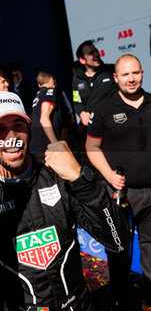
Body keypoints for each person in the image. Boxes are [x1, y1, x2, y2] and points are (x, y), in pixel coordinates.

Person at [0, 91, 130, 311]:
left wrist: (82, 180)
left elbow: (119, 242)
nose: (11, 136)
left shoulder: (60, 176)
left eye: (18, 125)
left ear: (28, 129)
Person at [86, 54, 151, 309]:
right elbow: (91, 147)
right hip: (122, 195)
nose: (131, 79)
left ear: (142, 73)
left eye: (135, 73)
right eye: (125, 74)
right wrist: (109, 174)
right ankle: (120, 300)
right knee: (120, 251)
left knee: (150, 245)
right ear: (116, 77)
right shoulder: (104, 109)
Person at [72, 40, 116, 127]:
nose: (96, 54)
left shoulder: (112, 70)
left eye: (96, 51)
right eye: (91, 53)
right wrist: (81, 113)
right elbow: (76, 101)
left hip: (115, 124)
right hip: (94, 128)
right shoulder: (76, 79)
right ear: (82, 60)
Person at [29, 71, 69, 164]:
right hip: (46, 147)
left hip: (35, 147)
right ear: (52, 79)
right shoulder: (50, 91)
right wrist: (56, 144)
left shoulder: (37, 97)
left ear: (39, 85)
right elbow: (44, 119)